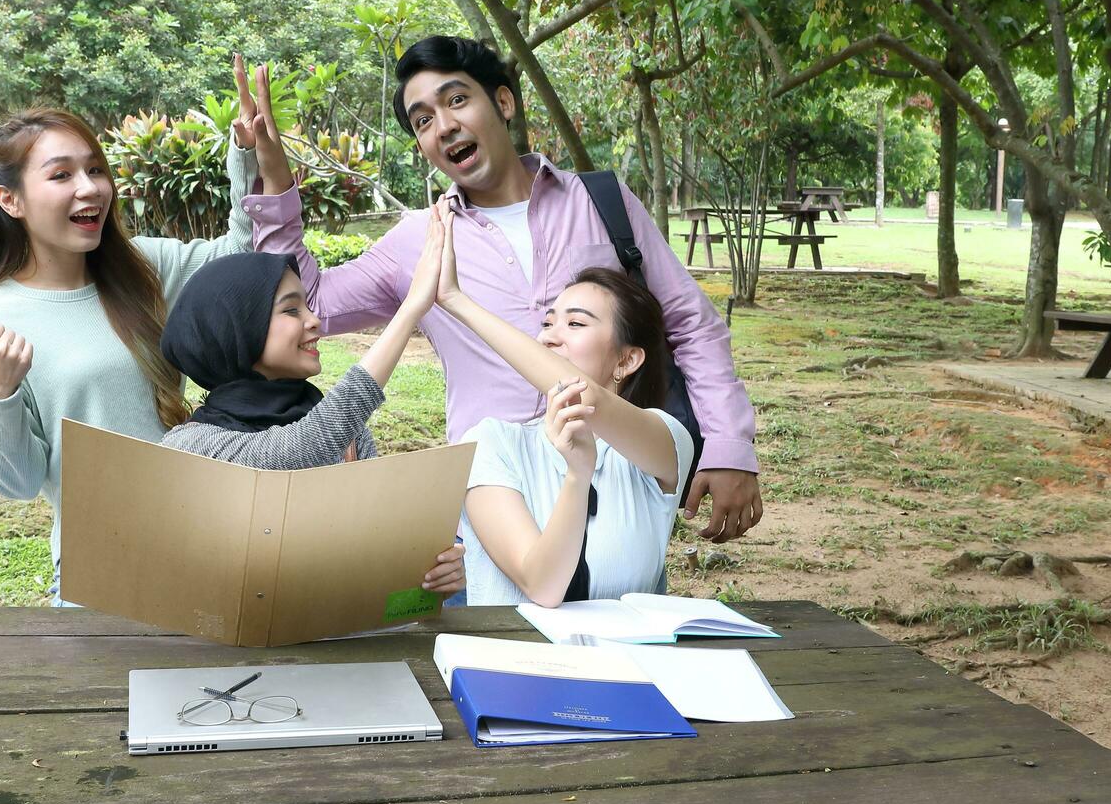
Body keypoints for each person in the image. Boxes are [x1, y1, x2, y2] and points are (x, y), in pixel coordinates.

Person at [241, 36, 762, 544]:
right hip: (493, 509)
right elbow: (308, 303)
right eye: (423, 120)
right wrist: (274, 176)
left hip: (618, 499)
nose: (444, 126)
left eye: (458, 100)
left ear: (504, 101)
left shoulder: (602, 202)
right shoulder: (418, 241)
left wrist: (729, 445)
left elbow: (691, 323)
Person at [0, 91, 261, 605]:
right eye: (61, 175)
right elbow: (19, 483)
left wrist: (245, 154)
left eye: (95, 170)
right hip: (101, 575)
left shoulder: (143, 267)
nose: (90, 189)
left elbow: (240, 257)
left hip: (208, 547)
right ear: (11, 201)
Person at [155, 241, 464, 594]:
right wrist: (410, 311)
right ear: (236, 328)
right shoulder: (190, 445)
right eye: (291, 310)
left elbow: (375, 549)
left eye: (308, 306)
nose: (314, 320)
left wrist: (428, 575)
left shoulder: (349, 438)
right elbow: (293, 453)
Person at [423, 201, 692, 605]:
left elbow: (588, 398)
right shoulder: (492, 444)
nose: (550, 336)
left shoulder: (665, 442)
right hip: (512, 665)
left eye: (576, 324)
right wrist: (576, 476)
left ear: (627, 360)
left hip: (628, 666)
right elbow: (543, 586)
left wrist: (457, 300)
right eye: (548, 323)